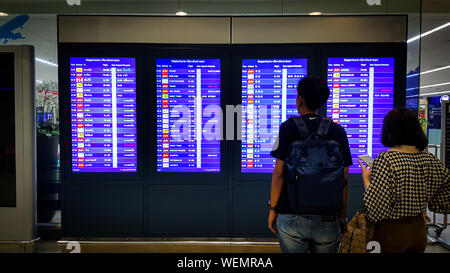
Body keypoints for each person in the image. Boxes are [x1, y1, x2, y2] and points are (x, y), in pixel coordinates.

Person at [268, 75, 353, 253]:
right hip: (328, 217)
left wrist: (273, 209)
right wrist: (342, 216)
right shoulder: (337, 131)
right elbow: (344, 178)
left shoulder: (288, 128)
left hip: (291, 215)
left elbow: (279, 173)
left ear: (300, 99)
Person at [359, 107, 450, 253]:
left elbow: (376, 207)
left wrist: (366, 180)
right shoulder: (429, 159)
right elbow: (445, 191)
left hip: (391, 233)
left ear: (389, 131)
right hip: (419, 231)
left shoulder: (386, 159)